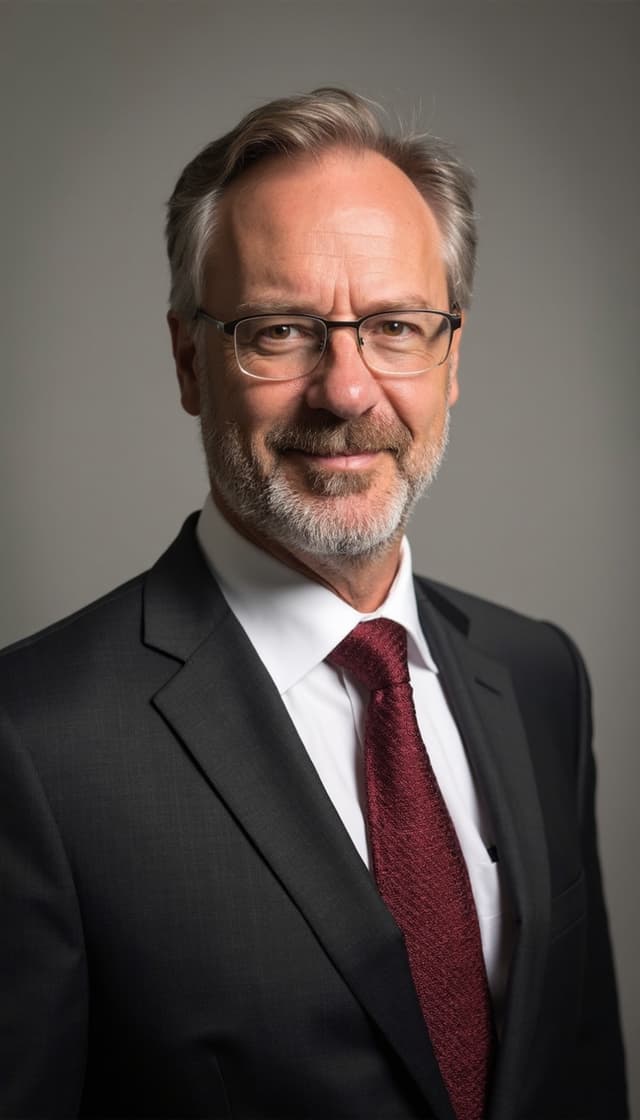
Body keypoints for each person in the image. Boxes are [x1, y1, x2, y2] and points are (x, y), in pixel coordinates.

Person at [0, 87, 628, 1120]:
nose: (344, 391)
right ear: (187, 361)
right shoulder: (33, 742)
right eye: (281, 330)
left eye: (394, 326)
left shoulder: (540, 677)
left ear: (451, 357)